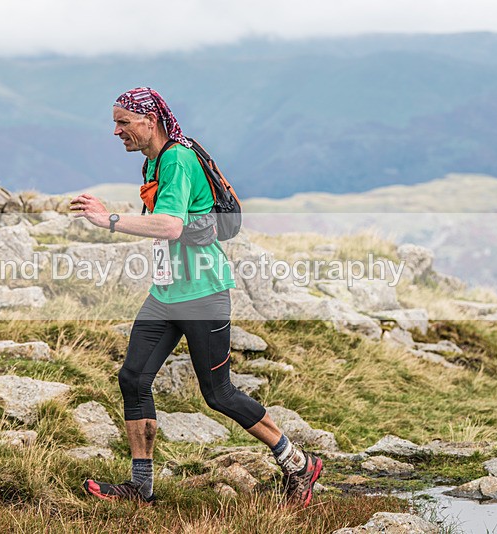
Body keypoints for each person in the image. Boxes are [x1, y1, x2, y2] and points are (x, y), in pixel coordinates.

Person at [70, 87, 322, 506]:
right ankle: (141, 488)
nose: (115, 131)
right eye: (114, 122)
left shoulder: (177, 160)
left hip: (203, 295)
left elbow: (168, 225)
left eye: (122, 122)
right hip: (166, 294)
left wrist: (108, 219)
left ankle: (298, 463)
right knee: (133, 378)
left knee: (218, 393)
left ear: (150, 122)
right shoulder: (155, 160)